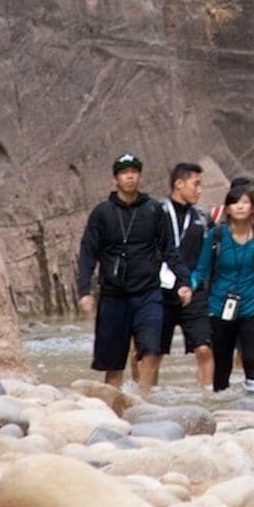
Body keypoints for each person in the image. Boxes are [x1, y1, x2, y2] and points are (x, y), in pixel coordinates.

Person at [74, 153, 178, 392]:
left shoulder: (154, 210)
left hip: (148, 292)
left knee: (152, 350)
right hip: (113, 294)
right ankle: (113, 406)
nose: (129, 176)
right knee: (113, 364)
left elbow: (169, 249)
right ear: (115, 178)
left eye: (134, 171)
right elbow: (88, 252)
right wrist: (84, 291)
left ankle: (142, 399)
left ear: (140, 176)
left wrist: (183, 281)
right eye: (124, 172)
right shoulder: (102, 213)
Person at [192, 177, 254, 391]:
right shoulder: (216, 236)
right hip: (219, 306)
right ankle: (222, 406)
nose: (241, 207)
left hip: (252, 305)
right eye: (236, 203)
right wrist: (187, 286)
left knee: (251, 357)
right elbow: (201, 269)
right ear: (228, 208)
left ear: (252, 206)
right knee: (223, 362)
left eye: (246, 202)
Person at [162, 161, 214, 389]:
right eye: (196, 184)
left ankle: (205, 398)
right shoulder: (156, 213)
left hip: (194, 290)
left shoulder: (202, 219)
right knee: (151, 351)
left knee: (204, 348)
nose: (200, 190)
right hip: (161, 288)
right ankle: (143, 398)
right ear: (179, 184)